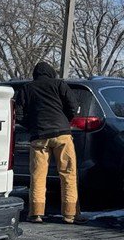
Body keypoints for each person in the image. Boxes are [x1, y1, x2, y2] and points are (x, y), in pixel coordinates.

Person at [15, 61, 84, 224]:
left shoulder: (27, 88)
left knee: (38, 176)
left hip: (39, 136)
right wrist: (65, 121)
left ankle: (36, 214)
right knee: (68, 174)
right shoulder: (59, 84)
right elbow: (73, 106)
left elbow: (18, 115)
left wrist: (33, 125)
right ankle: (69, 215)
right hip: (62, 135)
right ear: (51, 73)